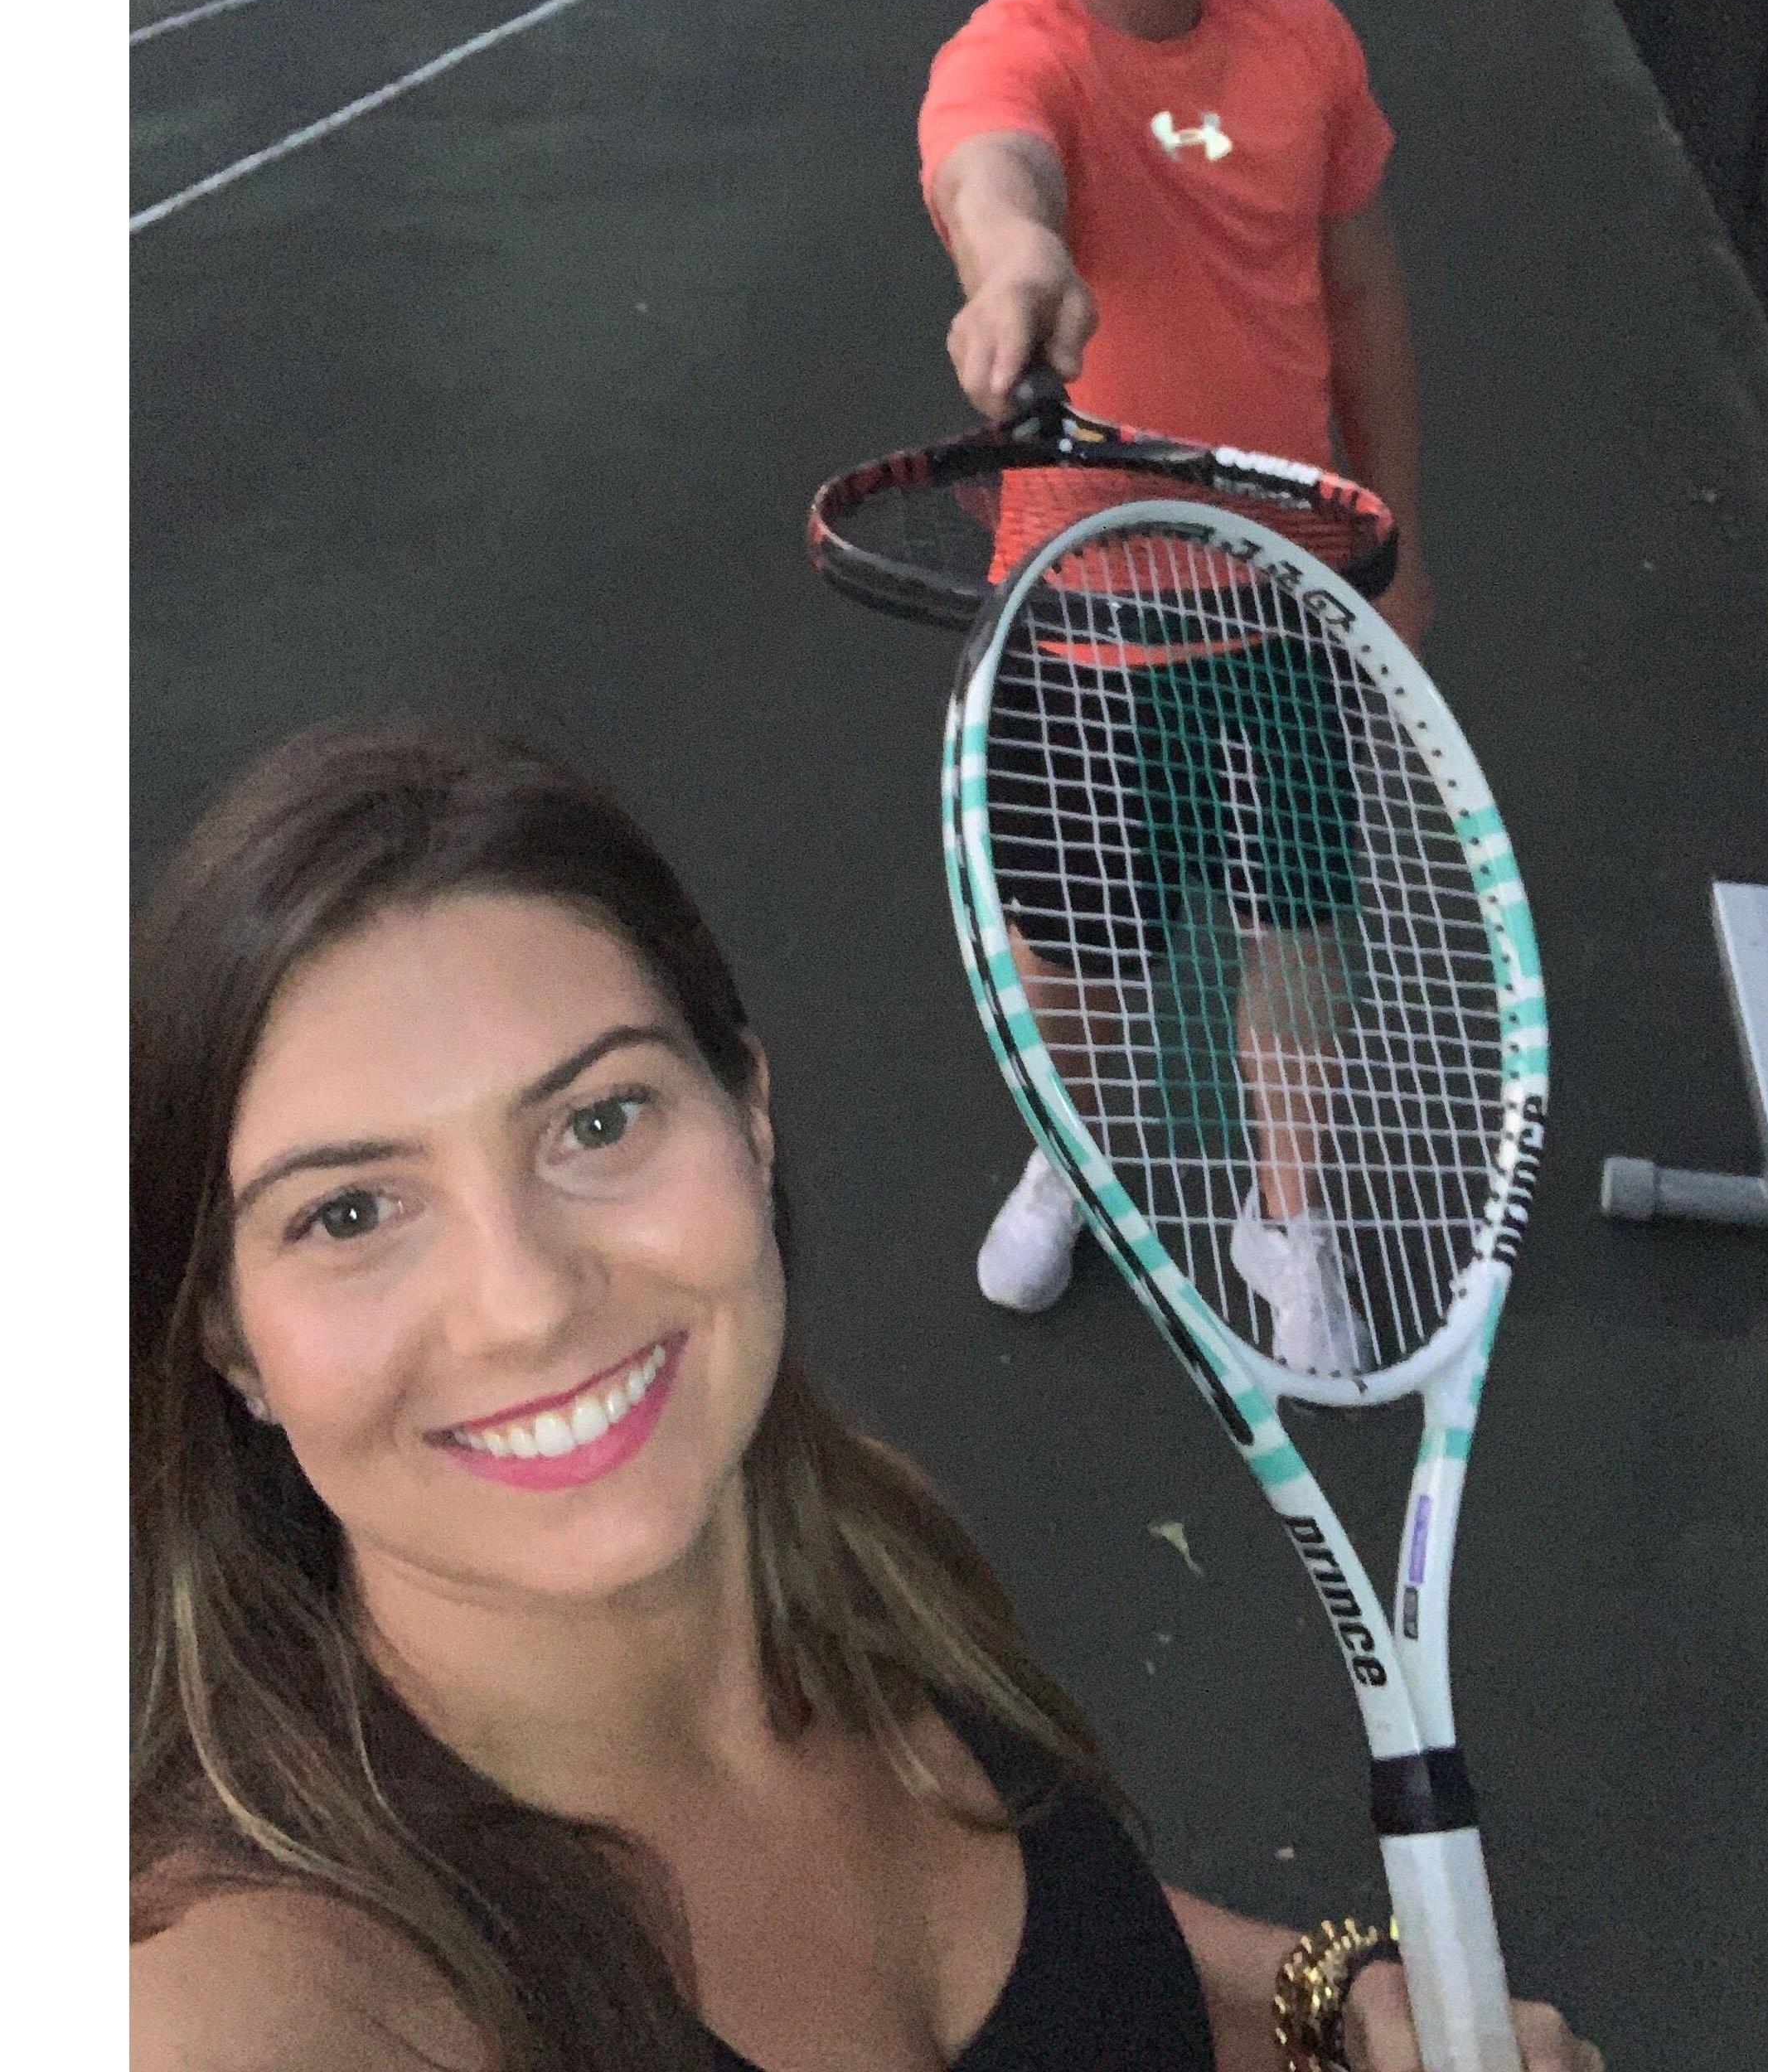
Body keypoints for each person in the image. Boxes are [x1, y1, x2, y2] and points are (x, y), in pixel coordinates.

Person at [129, 716, 1599, 2072]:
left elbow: (1070, 1954)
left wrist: (1325, 1998)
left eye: (600, 1121)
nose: (525, 1303)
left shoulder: (854, 1546)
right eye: (349, 1214)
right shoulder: (249, 2006)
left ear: (750, 1114)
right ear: (227, 1338)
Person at [918, 0, 1433, 1327]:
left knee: (1297, 927)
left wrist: (1396, 533)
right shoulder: (1005, 54)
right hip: (1073, 608)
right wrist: (1018, 271)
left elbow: (1363, 290)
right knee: (1081, 947)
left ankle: (1285, 1219)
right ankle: (1073, 1157)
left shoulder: (1303, 33)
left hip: (1282, 585)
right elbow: (995, 178)